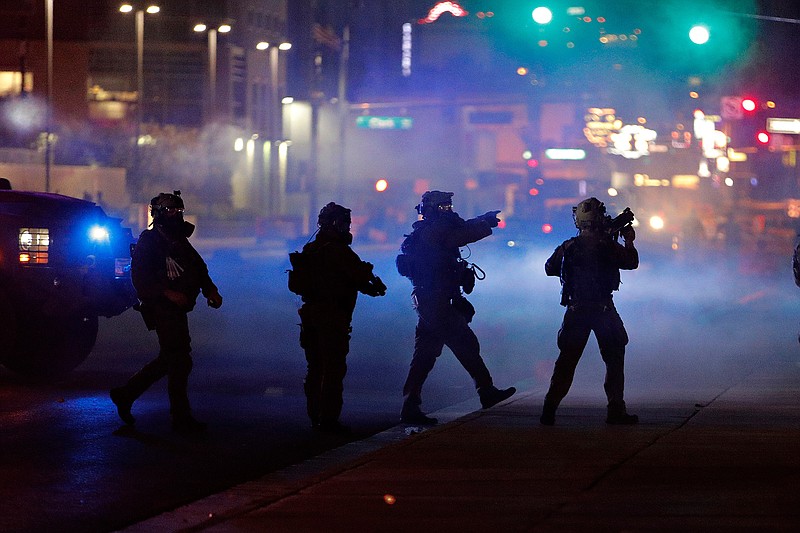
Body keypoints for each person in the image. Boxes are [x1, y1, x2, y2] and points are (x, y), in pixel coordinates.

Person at [397, 190, 516, 425]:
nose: (448, 210)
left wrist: (483, 218)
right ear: (431, 209)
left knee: (428, 354)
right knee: (462, 344)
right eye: (443, 207)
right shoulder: (434, 231)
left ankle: (411, 404)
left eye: (448, 206)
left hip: (434, 300)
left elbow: (460, 229)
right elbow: (460, 235)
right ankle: (486, 390)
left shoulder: (432, 229)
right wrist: (485, 224)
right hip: (435, 301)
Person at [110, 191, 222, 433]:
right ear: (159, 214)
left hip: (178, 308)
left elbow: (197, 266)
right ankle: (180, 417)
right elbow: (140, 279)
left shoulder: (178, 240)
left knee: (172, 359)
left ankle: (126, 394)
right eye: (171, 211)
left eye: (178, 211)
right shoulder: (149, 242)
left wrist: (209, 289)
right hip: (161, 308)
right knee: (179, 359)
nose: (176, 216)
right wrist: (167, 294)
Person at [540, 197, 639, 426]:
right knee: (614, 359)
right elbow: (631, 262)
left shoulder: (569, 246)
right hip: (603, 310)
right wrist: (629, 241)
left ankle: (549, 408)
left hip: (576, 310)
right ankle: (615, 410)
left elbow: (549, 268)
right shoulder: (607, 246)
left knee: (566, 362)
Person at [292, 202, 387, 434]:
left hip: (311, 316)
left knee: (315, 368)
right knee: (332, 369)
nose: (348, 228)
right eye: (345, 223)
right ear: (335, 223)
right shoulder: (338, 250)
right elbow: (359, 277)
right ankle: (328, 421)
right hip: (332, 317)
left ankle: (316, 416)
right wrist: (373, 284)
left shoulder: (312, 248)